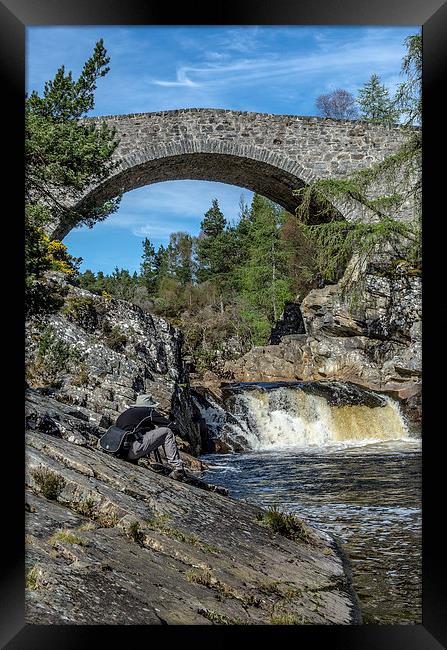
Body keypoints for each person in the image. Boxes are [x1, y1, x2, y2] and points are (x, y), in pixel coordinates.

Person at [115, 394, 186, 480]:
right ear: (149, 405)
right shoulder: (148, 412)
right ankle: (178, 469)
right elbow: (172, 427)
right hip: (133, 451)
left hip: (119, 451)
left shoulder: (126, 413)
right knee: (167, 432)